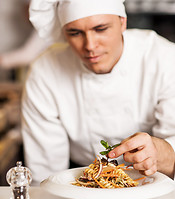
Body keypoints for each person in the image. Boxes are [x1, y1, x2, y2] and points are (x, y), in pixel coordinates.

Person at [22, 0, 175, 185]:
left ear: (122, 22)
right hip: (78, 183)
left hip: (154, 181)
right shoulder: (45, 74)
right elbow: (47, 176)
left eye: (100, 29)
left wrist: (161, 152)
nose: (90, 45)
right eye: (75, 33)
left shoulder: (164, 59)